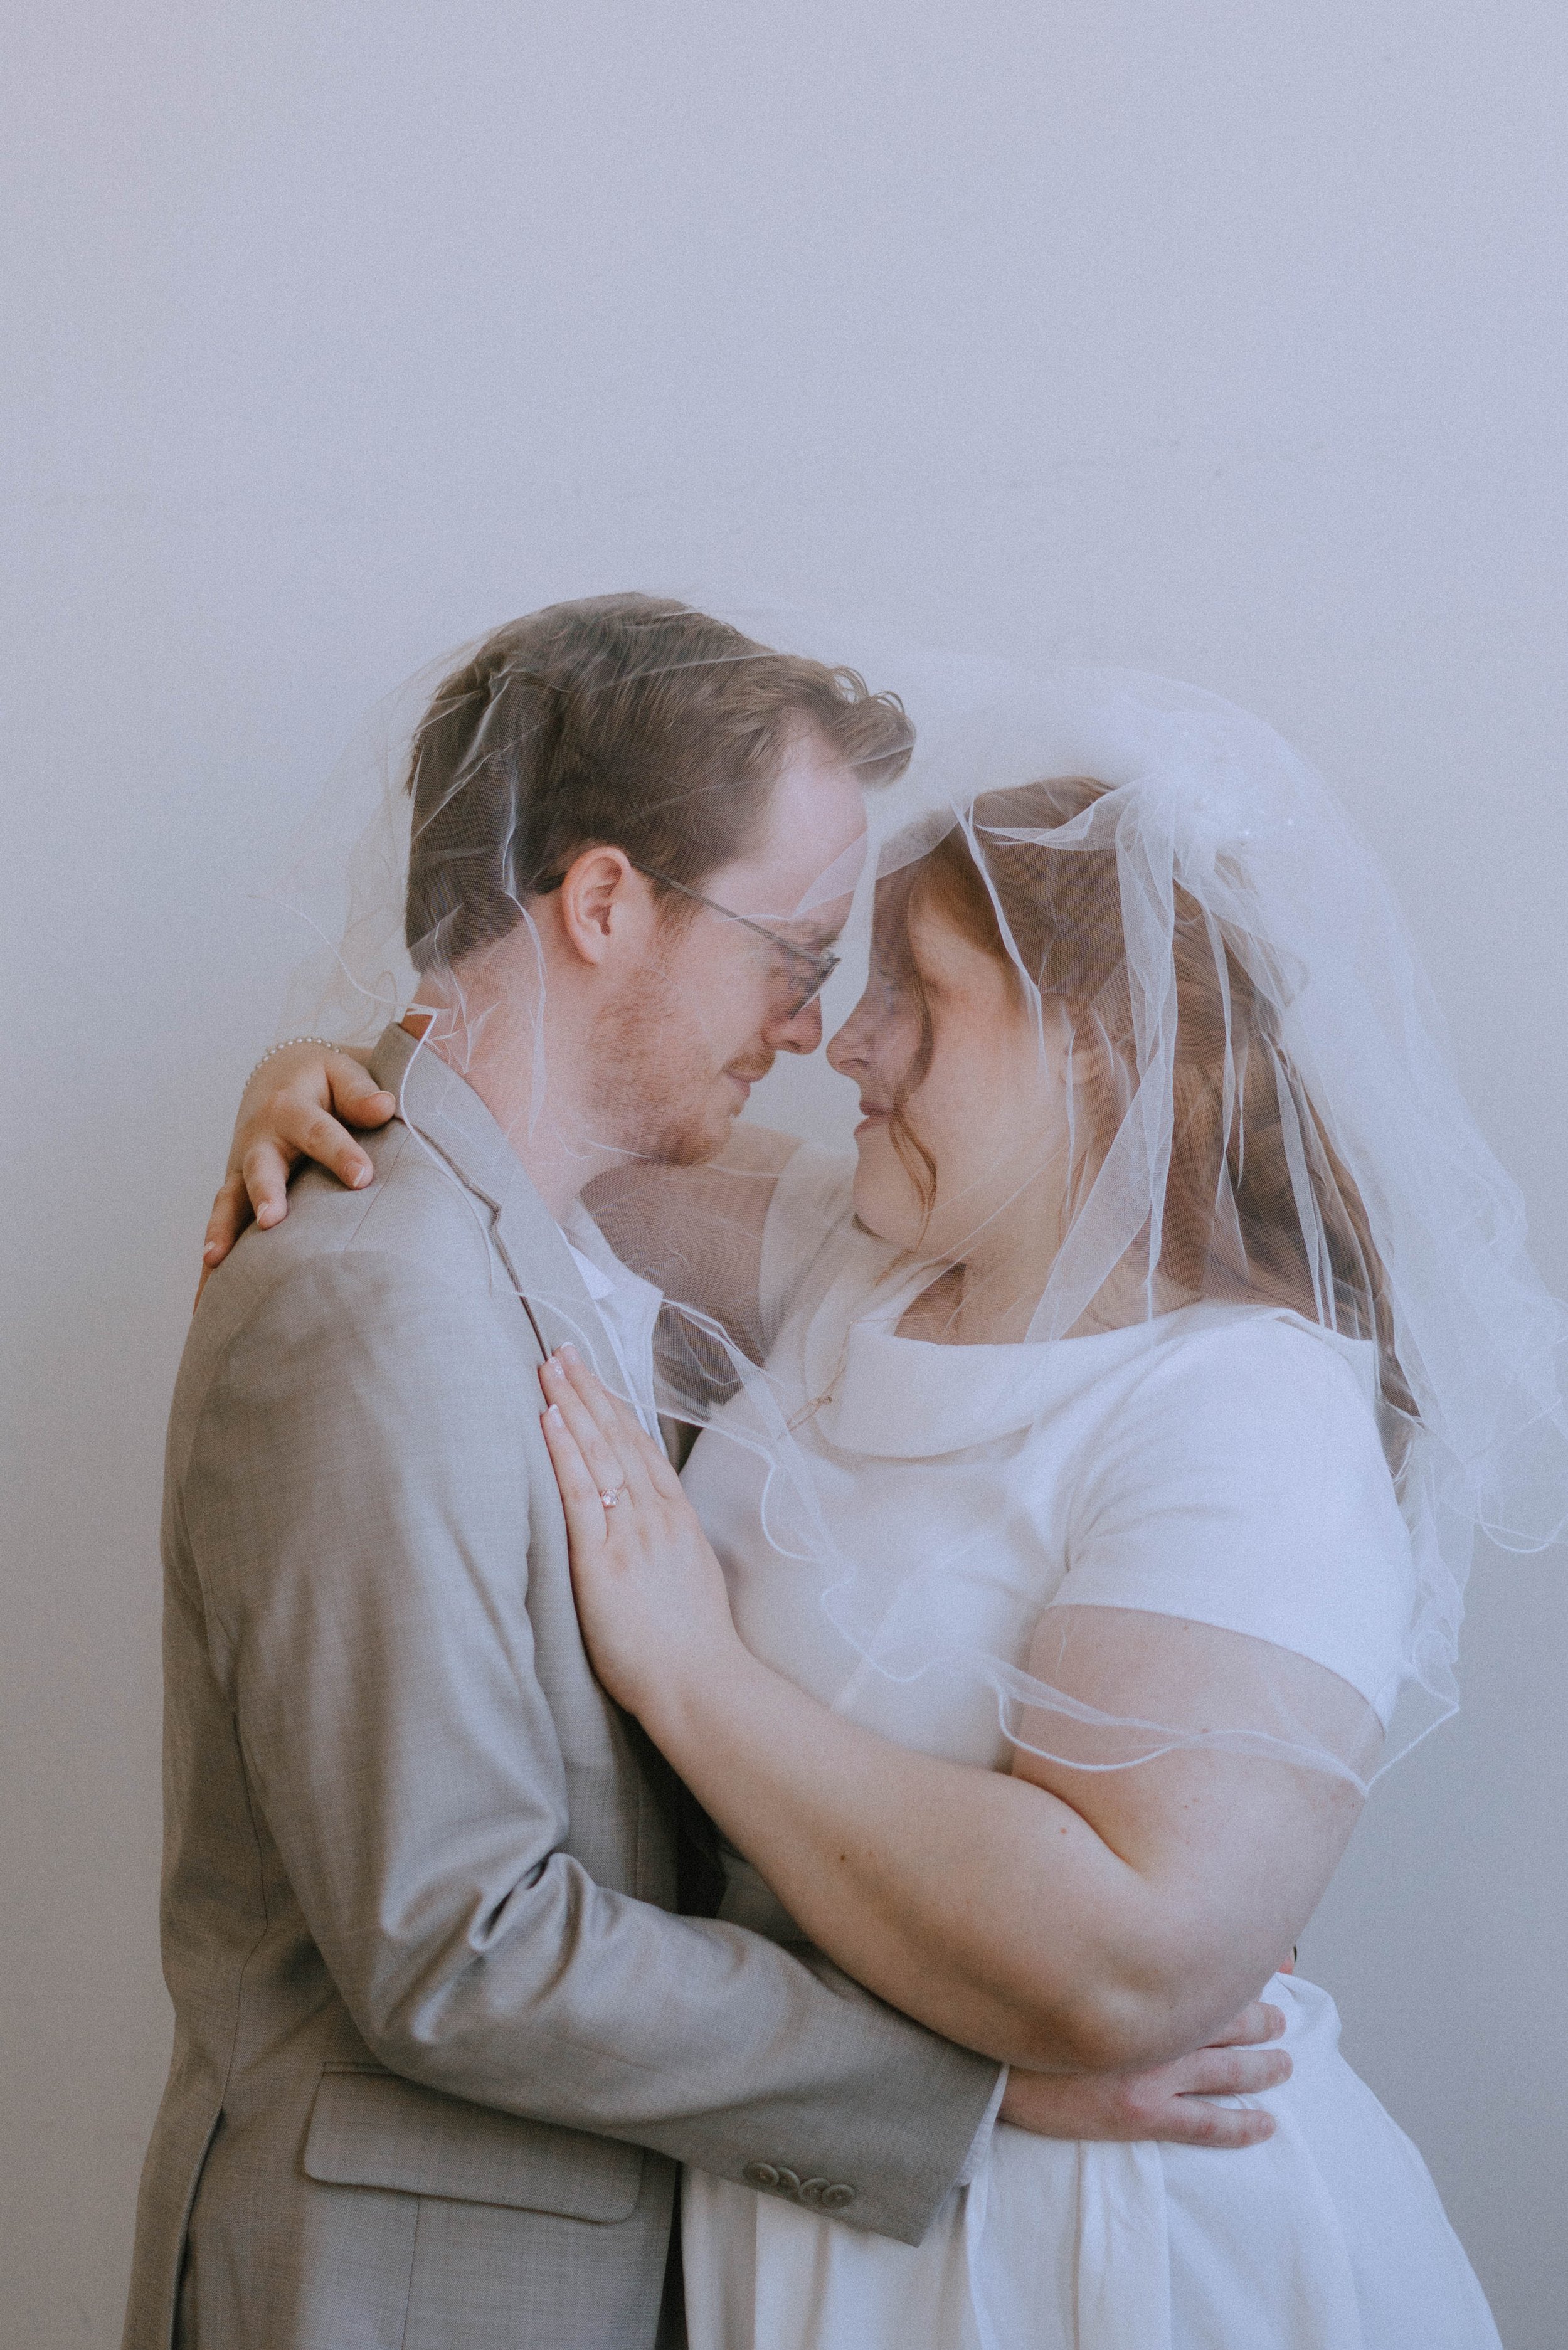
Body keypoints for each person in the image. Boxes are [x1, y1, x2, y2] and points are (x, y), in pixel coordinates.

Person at [230, 672, 1565, 2345]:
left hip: (1106, 2247)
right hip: (813, 2211)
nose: (843, 1041)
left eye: (916, 996)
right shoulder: (857, 1264)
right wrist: (315, 1085)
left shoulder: (1250, 1409)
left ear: (1095, 1045)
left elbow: (1134, 1957)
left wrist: (692, 1675)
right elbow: (518, 1137)